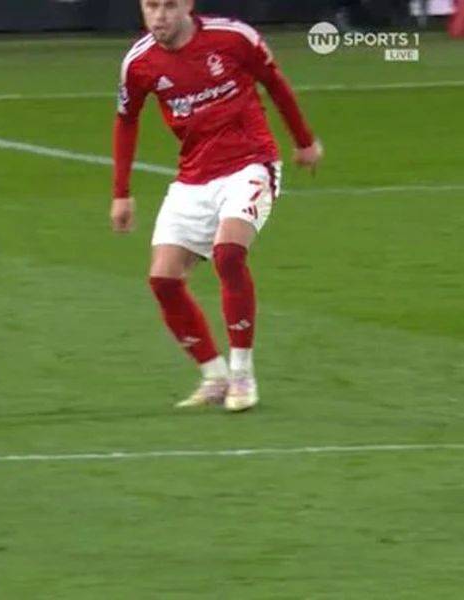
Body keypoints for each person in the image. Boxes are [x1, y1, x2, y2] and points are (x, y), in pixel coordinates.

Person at [112, 0, 323, 411]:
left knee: (229, 253)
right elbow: (126, 119)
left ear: (188, 5)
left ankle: (243, 373)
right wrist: (121, 191)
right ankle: (215, 375)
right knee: (163, 280)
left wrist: (303, 141)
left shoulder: (233, 38)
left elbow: (274, 81)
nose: (159, 15)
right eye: (151, 5)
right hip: (193, 178)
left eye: (169, 5)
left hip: (250, 164)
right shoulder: (138, 63)